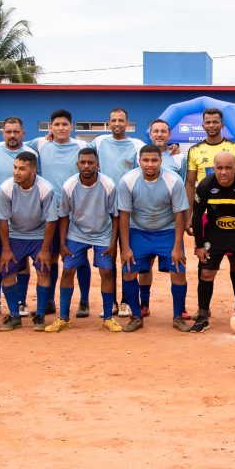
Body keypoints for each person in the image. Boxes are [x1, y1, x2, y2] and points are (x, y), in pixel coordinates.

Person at [45, 148, 120, 332]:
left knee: (106, 272)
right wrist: (62, 244)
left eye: (90, 162)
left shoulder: (108, 185)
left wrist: (112, 243)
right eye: (83, 162)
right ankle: (63, 317)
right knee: (68, 270)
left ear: (97, 164)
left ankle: (108, 317)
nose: (86, 166)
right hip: (76, 233)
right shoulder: (69, 185)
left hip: (102, 232)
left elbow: (116, 215)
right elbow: (63, 215)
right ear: (77, 164)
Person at [117, 145, 190, 332]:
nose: (150, 164)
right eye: (146, 160)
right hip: (138, 232)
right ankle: (136, 315)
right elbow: (124, 215)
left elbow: (180, 214)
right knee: (129, 271)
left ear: (161, 161)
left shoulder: (173, 180)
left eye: (154, 160)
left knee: (179, 271)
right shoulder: (128, 180)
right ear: (139, 161)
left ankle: (177, 316)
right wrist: (125, 248)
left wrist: (177, 246)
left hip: (167, 232)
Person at [26, 109, 91, 317]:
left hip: (77, 212)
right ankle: (50, 301)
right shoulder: (40, 144)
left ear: (71, 127)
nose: (61, 128)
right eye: (57, 125)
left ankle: (84, 301)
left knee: (78, 256)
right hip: (51, 213)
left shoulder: (82, 146)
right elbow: (16, 147)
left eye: (65, 124)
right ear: (50, 128)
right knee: (52, 257)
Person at [185, 107, 235, 315]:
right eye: (208, 122)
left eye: (215, 122)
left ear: (222, 125)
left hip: (234, 212)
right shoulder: (194, 151)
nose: (211, 125)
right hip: (206, 213)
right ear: (202, 125)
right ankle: (203, 308)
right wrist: (189, 215)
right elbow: (190, 183)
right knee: (204, 258)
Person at [190, 151, 235, 333]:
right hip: (215, 235)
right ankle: (202, 316)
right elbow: (197, 216)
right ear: (213, 168)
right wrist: (199, 245)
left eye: (228, 168)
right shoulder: (206, 185)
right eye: (219, 168)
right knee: (206, 273)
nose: (223, 172)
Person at [90, 107, 146, 318]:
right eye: (113, 120)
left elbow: (150, 158)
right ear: (108, 122)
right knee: (109, 255)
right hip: (104, 208)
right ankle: (111, 300)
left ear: (128, 123)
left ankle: (126, 301)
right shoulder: (98, 142)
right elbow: (81, 155)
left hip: (130, 208)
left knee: (128, 255)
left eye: (121, 120)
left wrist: (173, 148)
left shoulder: (137, 144)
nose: (117, 123)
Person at [0, 152, 58, 332]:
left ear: (33, 170)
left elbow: (51, 221)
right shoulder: (5, 188)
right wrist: (6, 249)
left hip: (38, 236)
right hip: (15, 235)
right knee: (6, 272)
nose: (16, 172)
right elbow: (2, 220)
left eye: (22, 169)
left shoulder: (45, 188)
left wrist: (45, 250)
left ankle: (40, 315)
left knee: (44, 272)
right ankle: (14, 315)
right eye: (15, 168)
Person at [0, 116, 39, 317]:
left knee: (21, 261)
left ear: (23, 133)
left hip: (23, 216)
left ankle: (21, 301)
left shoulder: (32, 153)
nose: (12, 135)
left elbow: (35, 180)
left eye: (16, 131)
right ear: (3, 133)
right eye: (8, 131)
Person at [137, 118, 188, 319]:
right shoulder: (140, 155)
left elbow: (183, 188)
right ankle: (144, 304)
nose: (159, 134)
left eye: (163, 131)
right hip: (142, 225)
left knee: (178, 266)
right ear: (150, 134)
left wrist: (185, 220)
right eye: (156, 131)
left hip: (168, 225)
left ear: (169, 134)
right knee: (144, 267)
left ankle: (180, 309)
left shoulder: (178, 158)